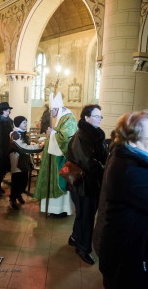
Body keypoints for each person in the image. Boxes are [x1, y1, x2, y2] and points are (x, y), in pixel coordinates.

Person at [94, 111, 148, 289]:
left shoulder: (129, 156)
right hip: (124, 256)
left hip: (125, 250)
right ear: (133, 138)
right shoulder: (128, 168)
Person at [67, 104, 108, 265]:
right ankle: (83, 248)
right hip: (83, 185)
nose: (99, 119)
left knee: (83, 214)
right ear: (86, 117)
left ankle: (75, 237)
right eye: (96, 116)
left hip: (91, 183)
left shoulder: (93, 134)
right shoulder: (82, 136)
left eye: (100, 116)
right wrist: (107, 169)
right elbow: (89, 163)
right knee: (86, 217)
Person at [34, 92, 78, 217]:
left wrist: (52, 134)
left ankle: (60, 210)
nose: (51, 114)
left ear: (57, 109)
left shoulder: (68, 118)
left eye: (52, 111)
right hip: (53, 157)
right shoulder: (61, 117)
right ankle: (52, 208)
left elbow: (67, 139)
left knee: (59, 183)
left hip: (60, 159)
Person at [9, 116, 42, 209]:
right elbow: (23, 147)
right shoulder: (15, 134)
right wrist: (38, 146)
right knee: (16, 181)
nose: (26, 124)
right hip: (17, 160)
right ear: (18, 123)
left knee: (24, 181)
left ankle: (18, 194)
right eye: (24, 123)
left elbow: (25, 145)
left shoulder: (22, 133)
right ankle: (13, 198)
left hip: (24, 160)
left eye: (26, 122)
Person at [0, 102, 13, 174]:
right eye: (6, 111)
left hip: (7, 144)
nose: (8, 113)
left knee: (6, 163)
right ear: (2, 111)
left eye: (8, 111)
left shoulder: (10, 120)